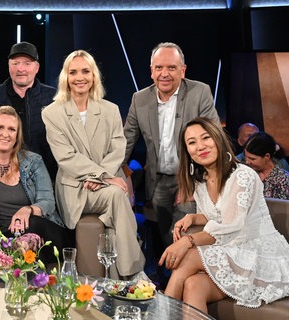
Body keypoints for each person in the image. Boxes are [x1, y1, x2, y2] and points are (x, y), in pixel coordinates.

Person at [160, 117, 289, 313]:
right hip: (229, 251)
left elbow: (231, 224)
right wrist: (193, 218)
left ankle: (159, 313)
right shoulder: (201, 180)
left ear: (218, 139)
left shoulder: (243, 175)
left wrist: (186, 241)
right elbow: (216, 213)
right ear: (187, 151)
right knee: (193, 285)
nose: (200, 146)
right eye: (192, 142)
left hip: (257, 254)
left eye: (206, 138)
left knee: (190, 256)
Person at [42, 50, 145, 277]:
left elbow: (118, 148)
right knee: (119, 195)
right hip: (75, 188)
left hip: (104, 184)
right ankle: (134, 273)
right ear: (65, 78)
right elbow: (65, 157)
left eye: (85, 71)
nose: (80, 77)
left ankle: (117, 276)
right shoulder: (52, 113)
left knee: (117, 198)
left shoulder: (110, 110)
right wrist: (103, 176)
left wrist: (102, 177)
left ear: (94, 76)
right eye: (73, 72)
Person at [123, 42, 220, 249]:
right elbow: (126, 141)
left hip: (191, 175)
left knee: (182, 230)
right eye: (159, 68)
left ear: (182, 70)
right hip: (158, 180)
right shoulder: (139, 99)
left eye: (171, 67)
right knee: (164, 234)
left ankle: (180, 275)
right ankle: (166, 273)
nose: (164, 74)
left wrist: (194, 182)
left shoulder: (200, 92)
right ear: (151, 71)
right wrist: (115, 173)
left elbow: (214, 139)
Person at [0, 106, 68, 261]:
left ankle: (13, 257)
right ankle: (15, 260)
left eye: (12, 130)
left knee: (32, 224)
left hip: (43, 231)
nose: (5, 134)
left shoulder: (33, 161)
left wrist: (28, 210)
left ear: (17, 136)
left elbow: (48, 202)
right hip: (4, 235)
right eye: (0, 127)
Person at [0, 42, 57, 179]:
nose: (21, 69)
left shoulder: (53, 98)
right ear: (9, 66)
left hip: (44, 176)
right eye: (15, 63)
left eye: (27, 63)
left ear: (37, 67)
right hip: (0, 176)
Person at [244, 132, 289, 199]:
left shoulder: (283, 180)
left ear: (267, 156)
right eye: (246, 157)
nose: (247, 162)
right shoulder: (247, 174)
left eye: (252, 159)